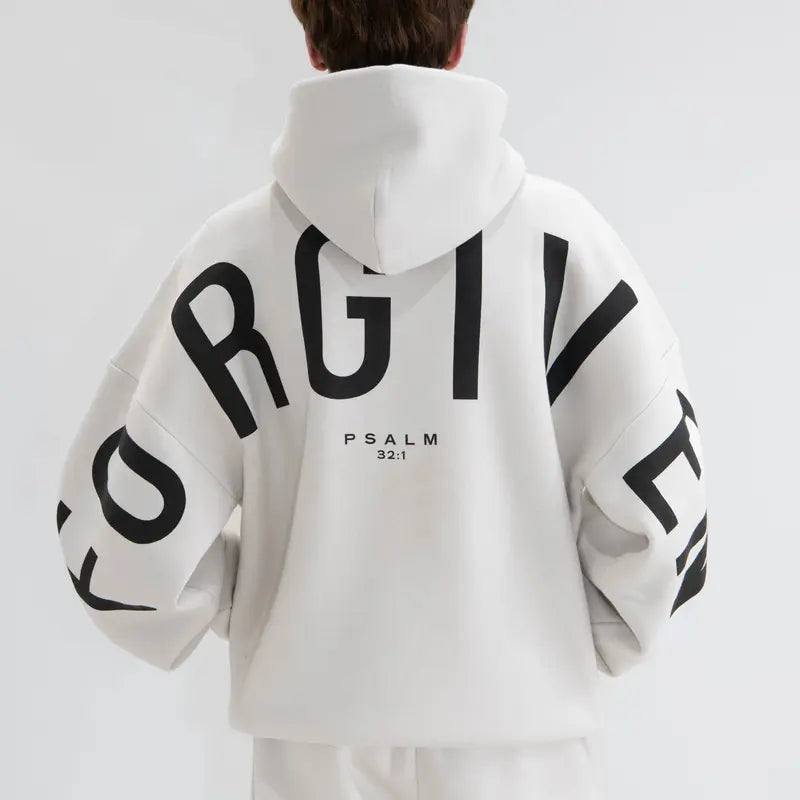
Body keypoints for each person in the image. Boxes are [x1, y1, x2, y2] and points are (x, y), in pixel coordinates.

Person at [55, 1, 709, 798]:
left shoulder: (236, 257)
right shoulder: (564, 246)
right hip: (525, 761)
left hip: (311, 763)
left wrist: (267, 599)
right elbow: (662, 522)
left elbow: (120, 547)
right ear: (460, 36)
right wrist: (574, 626)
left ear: (311, 38)